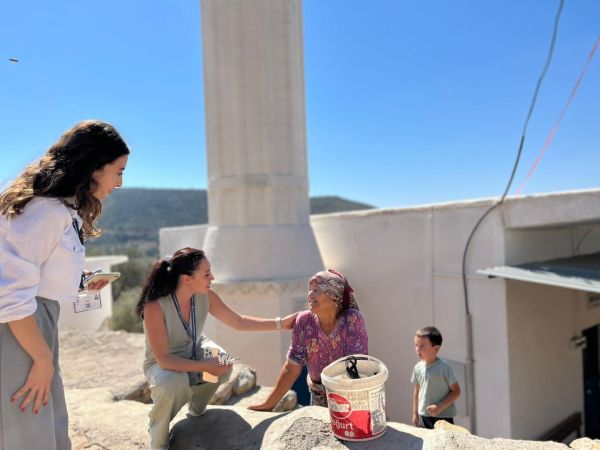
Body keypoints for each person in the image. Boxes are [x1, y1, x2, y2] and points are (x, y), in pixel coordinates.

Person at [0, 120, 130, 450]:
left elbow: (41, 275)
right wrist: (41, 359)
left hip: (35, 331)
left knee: (47, 431)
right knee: (29, 436)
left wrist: (83, 282)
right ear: (95, 167)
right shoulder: (46, 210)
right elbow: (9, 293)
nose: (120, 182)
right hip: (20, 334)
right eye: (118, 171)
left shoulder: (64, 210)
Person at [137, 247, 297, 450]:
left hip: (194, 351)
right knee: (173, 382)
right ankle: (157, 439)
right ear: (186, 279)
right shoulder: (154, 307)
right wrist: (205, 365)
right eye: (206, 274)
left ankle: (196, 407)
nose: (212, 277)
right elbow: (164, 360)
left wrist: (281, 323)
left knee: (223, 362)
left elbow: (239, 322)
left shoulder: (205, 296)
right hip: (163, 365)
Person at [248, 269, 368, 411]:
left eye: (316, 290)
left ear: (334, 297)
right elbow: (291, 368)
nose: (310, 296)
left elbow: (354, 367)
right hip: (318, 398)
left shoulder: (352, 320)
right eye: (310, 290)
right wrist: (268, 405)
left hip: (350, 396)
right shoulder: (305, 321)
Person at [411, 326, 461, 429]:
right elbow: (416, 391)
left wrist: (439, 407)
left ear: (436, 348)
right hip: (423, 416)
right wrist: (415, 414)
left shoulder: (444, 367)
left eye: (422, 346)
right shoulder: (417, 368)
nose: (417, 349)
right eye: (416, 345)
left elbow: (456, 391)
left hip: (444, 417)